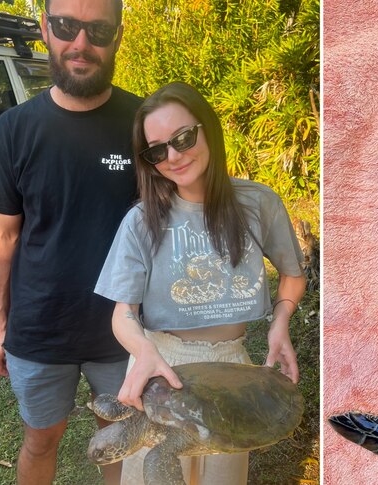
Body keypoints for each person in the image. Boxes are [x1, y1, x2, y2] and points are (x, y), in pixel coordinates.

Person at [94, 81, 306, 484]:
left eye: (184, 137)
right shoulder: (140, 221)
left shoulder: (258, 203)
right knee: (153, 474)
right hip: (162, 364)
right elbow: (123, 313)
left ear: (208, 127)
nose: (173, 156)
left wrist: (281, 323)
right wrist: (143, 351)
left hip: (231, 368)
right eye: (157, 150)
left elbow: (292, 277)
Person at [0, 0, 141, 484]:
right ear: (46, 30)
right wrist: (3, 326)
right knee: (40, 440)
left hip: (123, 330)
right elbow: (5, 233)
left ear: (117, 36)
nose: (80, 43)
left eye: (97, 30)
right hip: (40, 330)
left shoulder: (143, 122)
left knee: (123, 438)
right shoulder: (14, 129)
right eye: (66, 26)